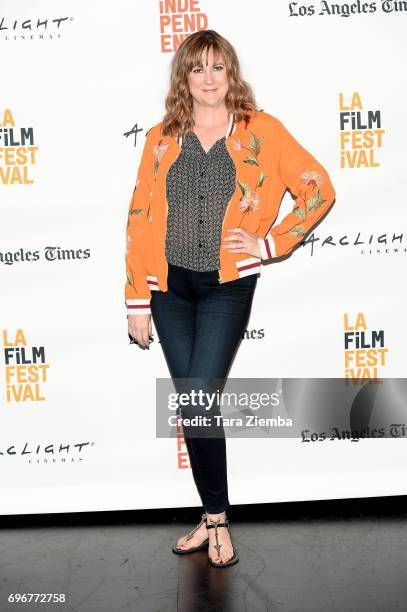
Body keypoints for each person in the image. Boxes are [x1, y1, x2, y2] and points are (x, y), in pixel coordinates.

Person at [125, 29, 336, 568]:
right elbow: (139, 215)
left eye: (219, 68)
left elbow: (318, 187)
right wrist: (136, 298)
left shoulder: (261, 131)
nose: (209, 78)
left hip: (226, 287)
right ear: (184, 78)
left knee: (198, 398)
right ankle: (211, 515)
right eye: (198, 69)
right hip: (170, 289)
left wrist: (271, 243)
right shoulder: (161, 137)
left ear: (231, 74)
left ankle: (216, 519)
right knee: (195, 406)